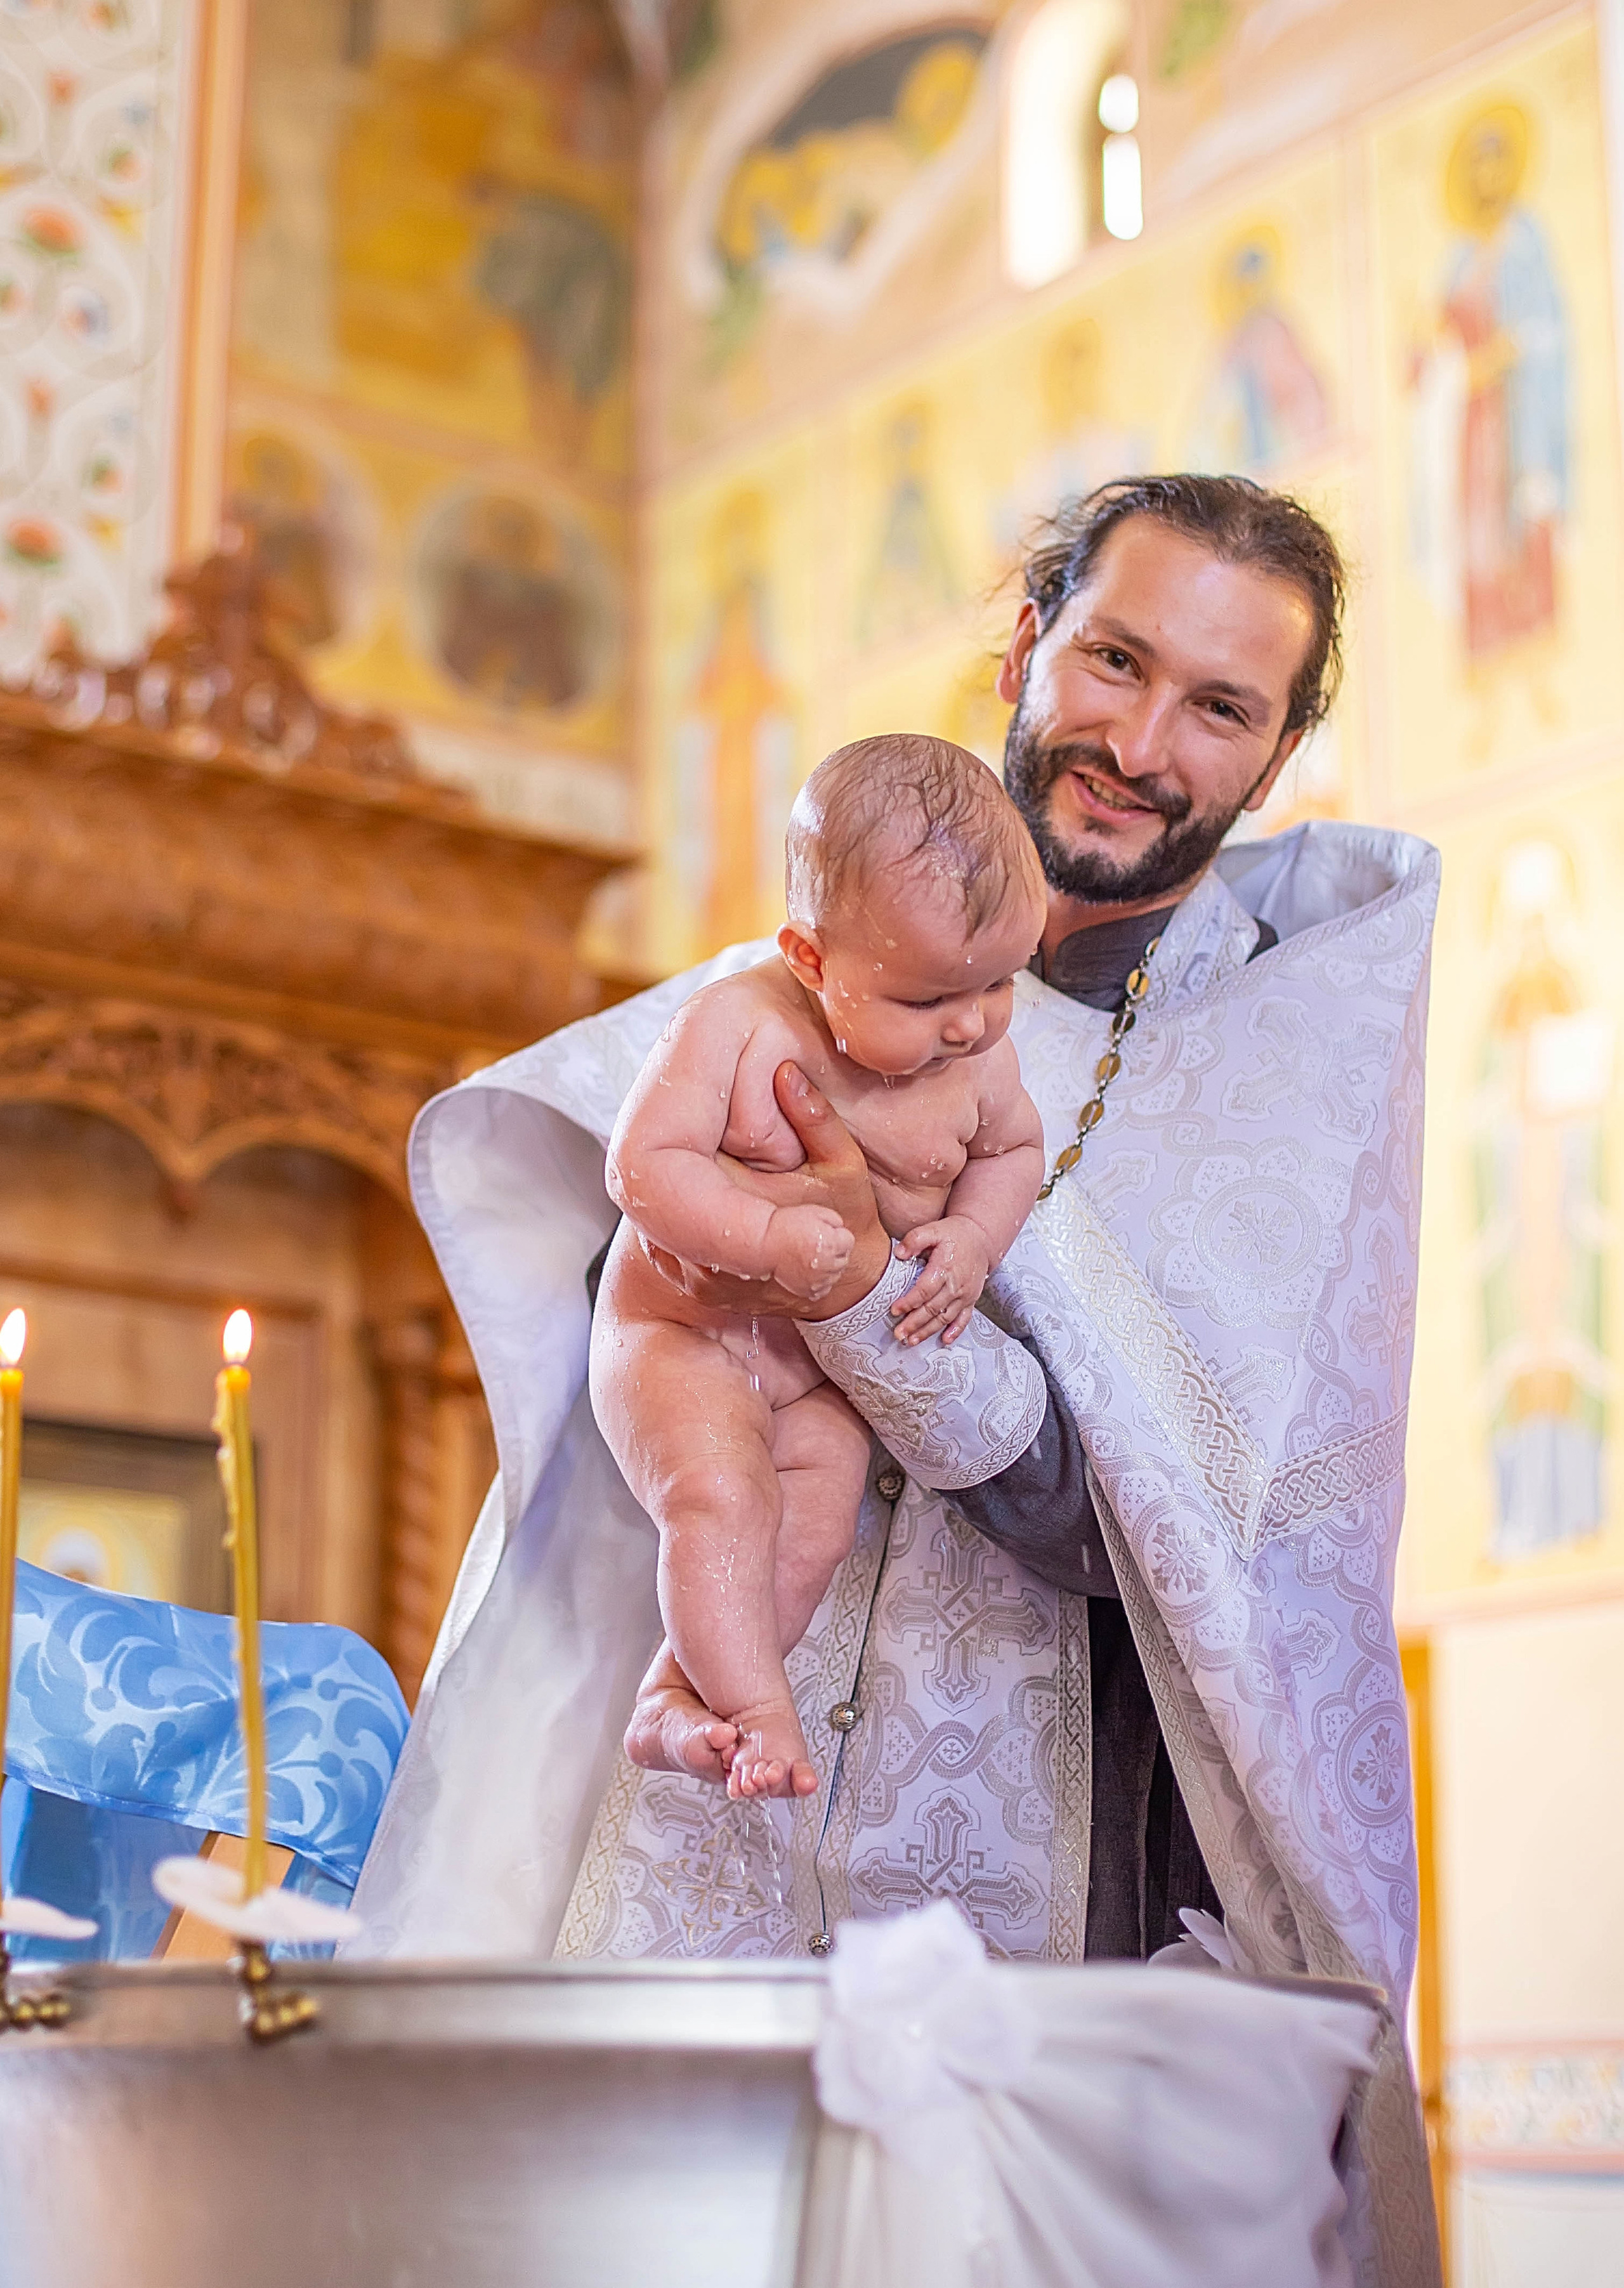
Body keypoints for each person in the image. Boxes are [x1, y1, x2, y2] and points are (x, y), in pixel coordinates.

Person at [350, 475, 1441, 2285]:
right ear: (1030, 644)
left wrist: (856, 1291)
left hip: (1025, 1920)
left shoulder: (1285, 1073)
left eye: (1222, 707)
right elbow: (619, 1284)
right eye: (1115, 660)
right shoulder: (787, 973)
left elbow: (1180, 1544)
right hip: (687, 1850)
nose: (1144, 745)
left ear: (1281, 748)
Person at [594, 736, 1045, 1802]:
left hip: (817, 1373)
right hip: (681, 1336)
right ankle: (754, 1714)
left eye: (999, 982)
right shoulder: (740, 1025)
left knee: (814, 1524)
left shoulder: (978, 1061)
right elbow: (639, 1163)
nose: (973, 1022)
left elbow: (1014, 1152)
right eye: (929, 999)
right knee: (718, 1496)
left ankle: (678, 1694)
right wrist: (759, 1240)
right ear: (809, 957)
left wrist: (976, 1240)